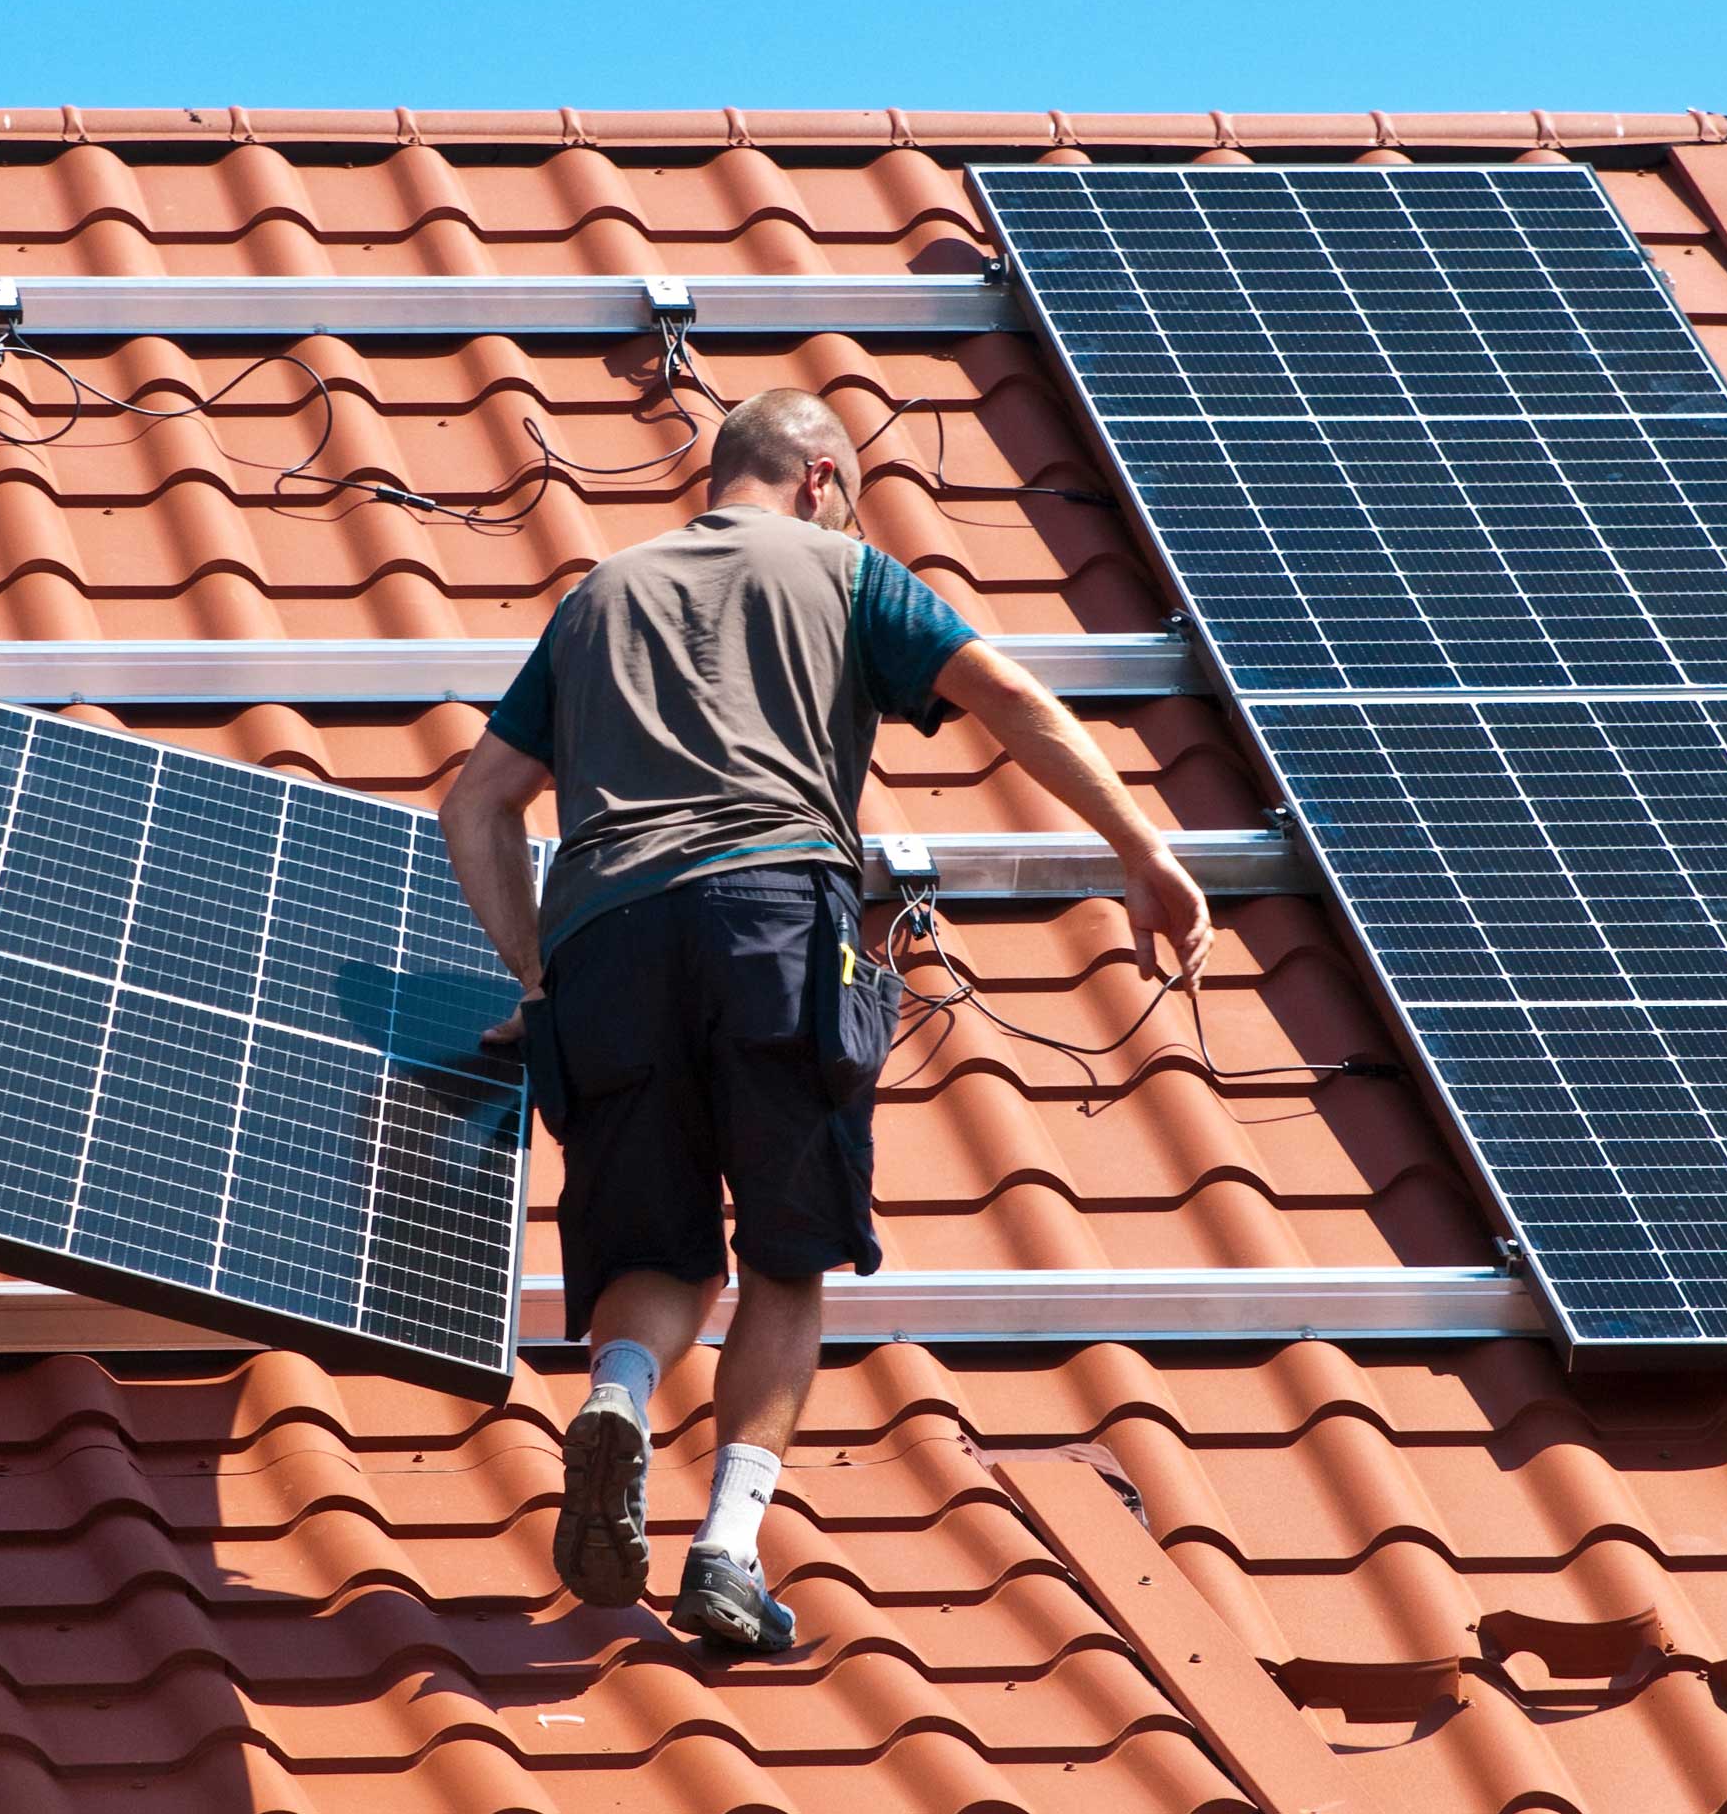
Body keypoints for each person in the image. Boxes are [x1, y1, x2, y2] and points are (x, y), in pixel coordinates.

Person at [440, 387, 1210, 1655]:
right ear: (814, 476)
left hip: (606, 942)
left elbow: (475, 807)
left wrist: (538, 983)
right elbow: (1005, 695)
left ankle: (622, 1399)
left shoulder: (594, 600)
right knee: (785, 1256)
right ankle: (729, 1552)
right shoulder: (847, 569)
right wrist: (1138, 845)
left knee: (657, 1253)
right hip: (772, 920)